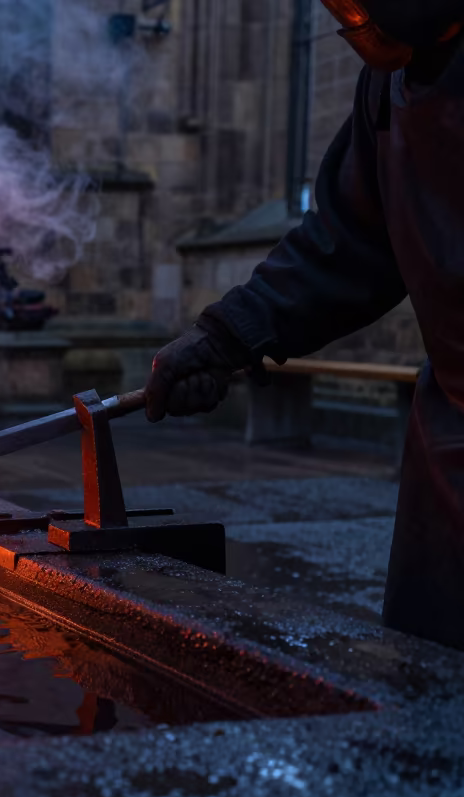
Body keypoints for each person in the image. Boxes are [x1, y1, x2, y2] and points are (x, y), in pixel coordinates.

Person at [145, 0, 464, 651]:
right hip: (452, 439)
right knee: (432, 673)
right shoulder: (388, 87)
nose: (351, 23)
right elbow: (349, 240)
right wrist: (228, 336)